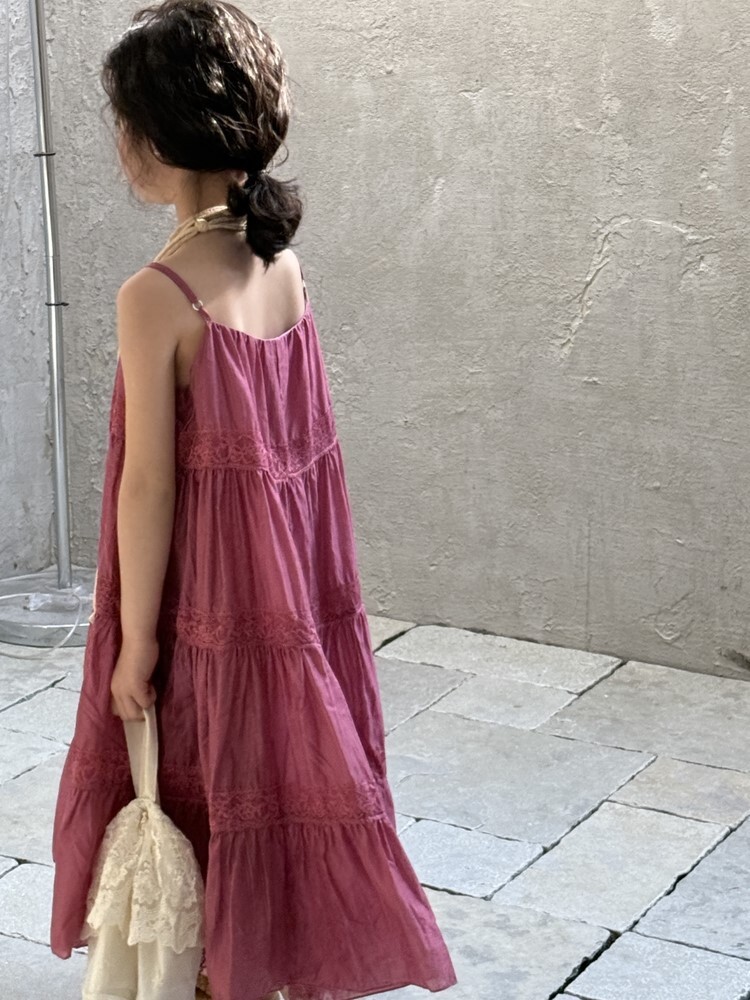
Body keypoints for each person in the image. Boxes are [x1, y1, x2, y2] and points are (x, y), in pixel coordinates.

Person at [49, 2, 458, 998]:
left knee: (197, 783)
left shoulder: (157, 293)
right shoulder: (280, 263)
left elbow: (149, 484)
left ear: (156, 134)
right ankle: (259, 959)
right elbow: (298, 459)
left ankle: (207, 974)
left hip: (205, 611)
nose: (117, 140)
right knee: (266, 783)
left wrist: (135, 643)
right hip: (286, 600)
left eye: (122, 117)